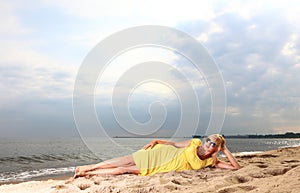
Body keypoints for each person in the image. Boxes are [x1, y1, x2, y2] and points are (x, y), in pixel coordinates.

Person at [74, 134, 240, 177]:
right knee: (123, 161)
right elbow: (174, 144)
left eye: (214, 143)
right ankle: (88, 167)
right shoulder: (195, 142)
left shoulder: (212, 161)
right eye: (209, 140)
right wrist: (157, 141)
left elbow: (236, 168)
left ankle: (86, 173)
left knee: (123, 171)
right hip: (161, 154)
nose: (209, 143)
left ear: (217, 147)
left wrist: (225, 150)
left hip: (162, 168)